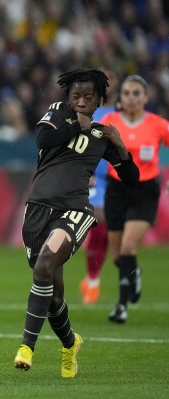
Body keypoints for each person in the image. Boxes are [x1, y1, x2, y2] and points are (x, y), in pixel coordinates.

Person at [13, 69, 139, 378]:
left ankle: (26, 347)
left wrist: (121, 147)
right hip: (38, 210)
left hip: (75, 212)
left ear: (99, 100)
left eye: (88, 97)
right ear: (68, 97)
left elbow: (132, 179)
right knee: (54, 297)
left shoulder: (102, 134)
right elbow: (42, 138)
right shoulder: (57, 114)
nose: (81, 102)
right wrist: (74, 125)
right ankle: (70, 345)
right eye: (76, 96)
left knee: (44, 265)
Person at [102, 75, 169, 324]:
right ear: (120, 97)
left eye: (136, 93)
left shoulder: (158, 124)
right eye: (127, 93)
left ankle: (121, 305)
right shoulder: (109, 122)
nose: (130, 98)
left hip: (144, 192)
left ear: (146, 98)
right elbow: (92, 149)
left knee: (129, 247)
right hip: (116, 189)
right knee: (118, 256)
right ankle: (135, 273)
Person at [79, 66, 120, 304]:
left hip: (117, 178)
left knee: (109, 230)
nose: (108, 82)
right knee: (100, 221)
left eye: (112, 77)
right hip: (95, 178)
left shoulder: (123, 112)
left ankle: (92, 277)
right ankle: (93, 282)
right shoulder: (88, 111)